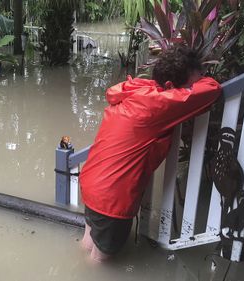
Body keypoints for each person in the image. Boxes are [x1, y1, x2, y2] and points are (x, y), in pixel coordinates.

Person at [79, 46, 222, 262]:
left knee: (88, 243)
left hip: (92, 182)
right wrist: (197, 84)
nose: (194, 86)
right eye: (191, 84)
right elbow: (212, 88)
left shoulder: (137, 92)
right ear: (170, 87)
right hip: (113, 197)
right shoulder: (159, 104)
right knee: (100, 262)